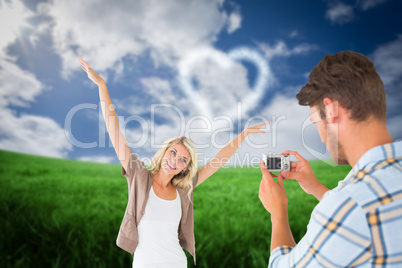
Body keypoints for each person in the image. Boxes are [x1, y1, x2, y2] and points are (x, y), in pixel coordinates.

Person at [78, 57, 268, 268]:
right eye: (173, 152)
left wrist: (243, 134)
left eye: (183, 159)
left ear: (186, 167)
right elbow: (114, 131)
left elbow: (218, 161)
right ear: (164, 151)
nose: (175, 160)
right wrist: (101, 85)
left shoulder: (183, 189)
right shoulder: (139, 176)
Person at [258, 51, 402, 267]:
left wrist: (278, 213)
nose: (321, 137)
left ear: (332, 109)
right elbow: (369, 213)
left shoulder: (350, 205)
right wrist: (315, 187)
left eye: (315, 120)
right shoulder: (371, 193)